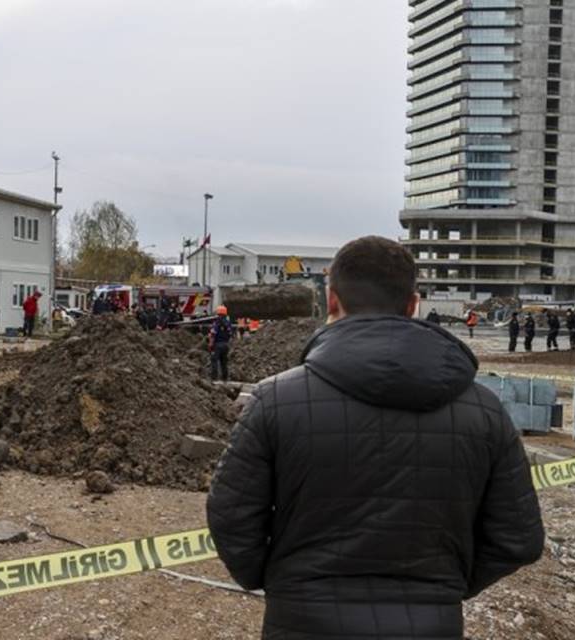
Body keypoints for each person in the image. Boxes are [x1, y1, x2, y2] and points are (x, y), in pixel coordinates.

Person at [206, 236, 543, 640]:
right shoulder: (484, 411)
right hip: (429, 626)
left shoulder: (275, 400)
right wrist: (443, 588)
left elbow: (230, 515)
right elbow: (518, 537)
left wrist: (280, 580)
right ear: (413, 304)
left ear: (331, 300)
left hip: (302, 620)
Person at [208, 305, 233, 382]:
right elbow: (231, 334)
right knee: (224, 362)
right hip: (226, 345)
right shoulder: (228, 323)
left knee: (214, 361)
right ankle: (225, 378)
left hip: (217, 344)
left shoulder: (217, 323)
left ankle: (214, 378)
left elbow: (213, 334)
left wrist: (210, 344)